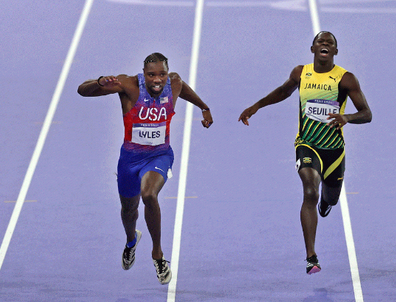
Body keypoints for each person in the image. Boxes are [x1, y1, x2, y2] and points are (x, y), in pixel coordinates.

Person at [239, 32, 372, 275]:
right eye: (320, 42)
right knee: (309, 189)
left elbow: (367, 113)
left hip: (334, 152)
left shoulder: (346, 79)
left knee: (330, 198)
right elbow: (282, 91)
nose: (324, 44)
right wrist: (256, 106)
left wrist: (347, 117)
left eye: (329, 43)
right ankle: (311, 256)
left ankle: (326, 201)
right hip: (307, 144)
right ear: (312, 48)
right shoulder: (301, 73)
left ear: (335, 52)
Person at [77, 53, 212, 284]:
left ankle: (157, 254)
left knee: (149, 194)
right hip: (130, 161)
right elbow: (82, 90)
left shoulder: (175, 83)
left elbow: (184, 89)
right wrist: (99, 82)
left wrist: (204, 107)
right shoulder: (127, 85)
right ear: (143, 74)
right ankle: (131, 240)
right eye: (152, 75)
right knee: (129, 210)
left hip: (159, 155)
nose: (157, 80)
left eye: (162, 74)